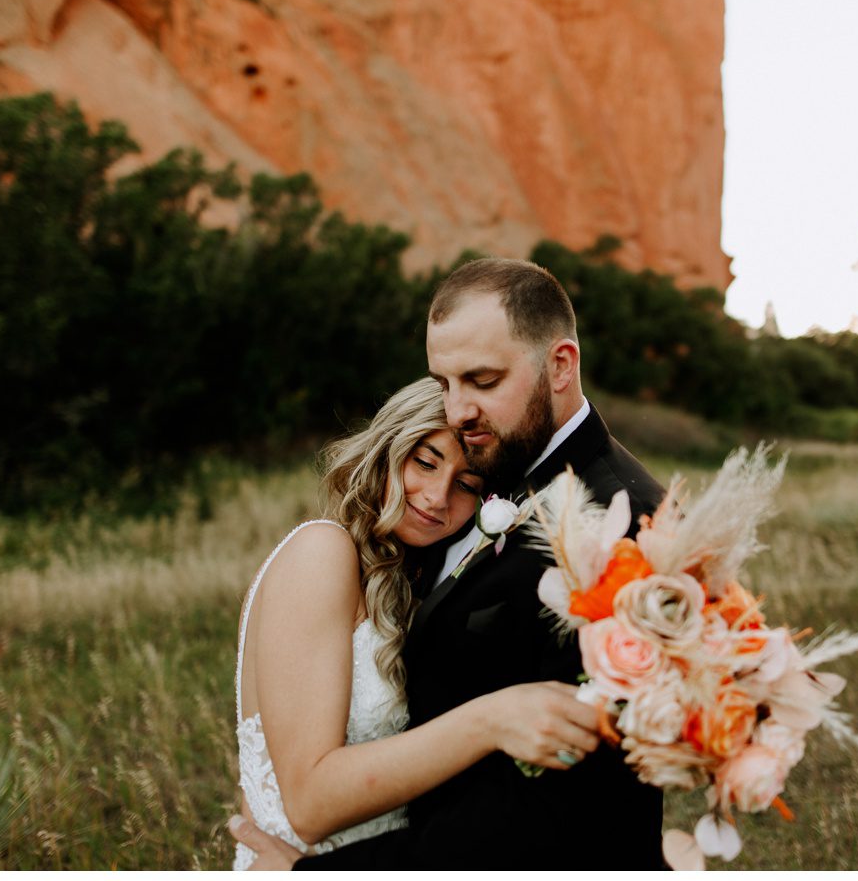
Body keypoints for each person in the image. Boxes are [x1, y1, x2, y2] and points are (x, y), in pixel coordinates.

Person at [233, 257, 667, 872]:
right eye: (443, 382)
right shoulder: (465, 495)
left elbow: (564, 814)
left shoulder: (621, 518)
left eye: (482, 380)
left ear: (561, 365)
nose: (460, 410)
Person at [229, 377, 604, 867]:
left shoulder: (410, 586)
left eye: (467, 485)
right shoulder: (320, 552)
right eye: (424, 462)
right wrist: (494, 719)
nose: (435, 496)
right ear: (388, 448)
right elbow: (307, 803)